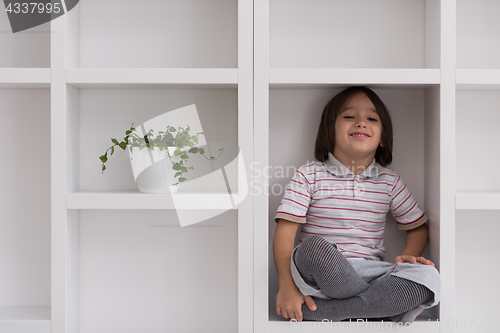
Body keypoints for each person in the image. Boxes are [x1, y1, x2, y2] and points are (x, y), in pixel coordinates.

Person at [273, 86, 440, 323]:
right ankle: (382, 309)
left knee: (428, 276)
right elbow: (284, 234)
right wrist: (286, 287)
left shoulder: (389, 181)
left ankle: (327, 312)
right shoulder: (309, 175)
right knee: (313, 248)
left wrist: (407, 256)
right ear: (330, 130)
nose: (361, 123)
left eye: (371, 118)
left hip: (371, 275)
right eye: (349, 116)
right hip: (319, 276)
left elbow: (418, 227)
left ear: (383, 138)